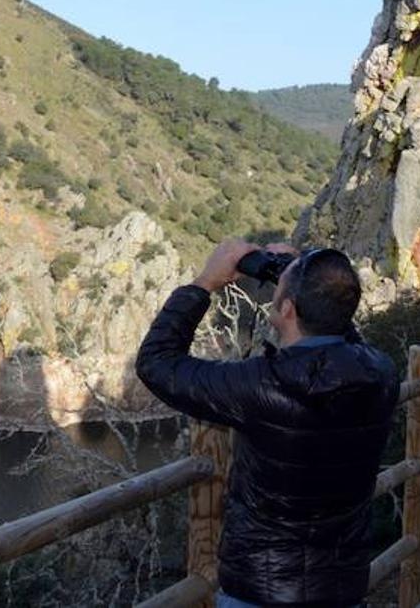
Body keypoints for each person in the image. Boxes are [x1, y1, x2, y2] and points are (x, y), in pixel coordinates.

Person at [136, 238, 399, 608]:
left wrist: (204, 283)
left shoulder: (262, 385)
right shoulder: (381, 373)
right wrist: (297, 277)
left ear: (287, 309)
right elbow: (337, 329)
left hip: (260, 591)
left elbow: (157, 363)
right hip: (341, 586)